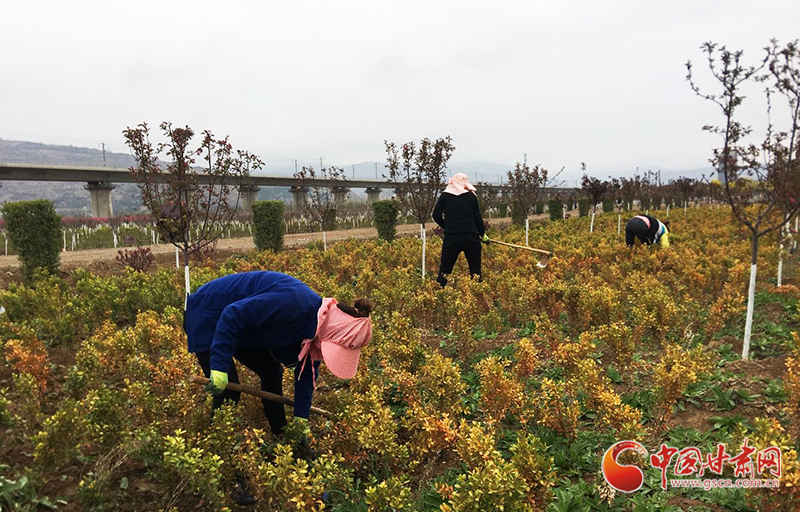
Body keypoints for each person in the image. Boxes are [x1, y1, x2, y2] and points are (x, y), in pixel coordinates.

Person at [185, 271, 373, 436]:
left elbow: (306, 374)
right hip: (209, 312)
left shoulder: (316, 331)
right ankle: (213, 449)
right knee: (228, 391)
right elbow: (232, 314)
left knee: (271, 372)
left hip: (243, 328)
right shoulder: (295, 303)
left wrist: (300, 419)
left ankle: (280, 434)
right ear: (332, 333)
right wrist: (219, 366)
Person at [432, 173, 488, 287]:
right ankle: (478, 295)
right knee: (475, 272)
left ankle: (437, 294)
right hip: (471, 237)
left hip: (452, 238)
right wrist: (482, 234)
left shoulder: (445, 196)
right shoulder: (471, 196)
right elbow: (477, 218)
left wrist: (447, 226)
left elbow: (436, 215)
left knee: (444, 271)